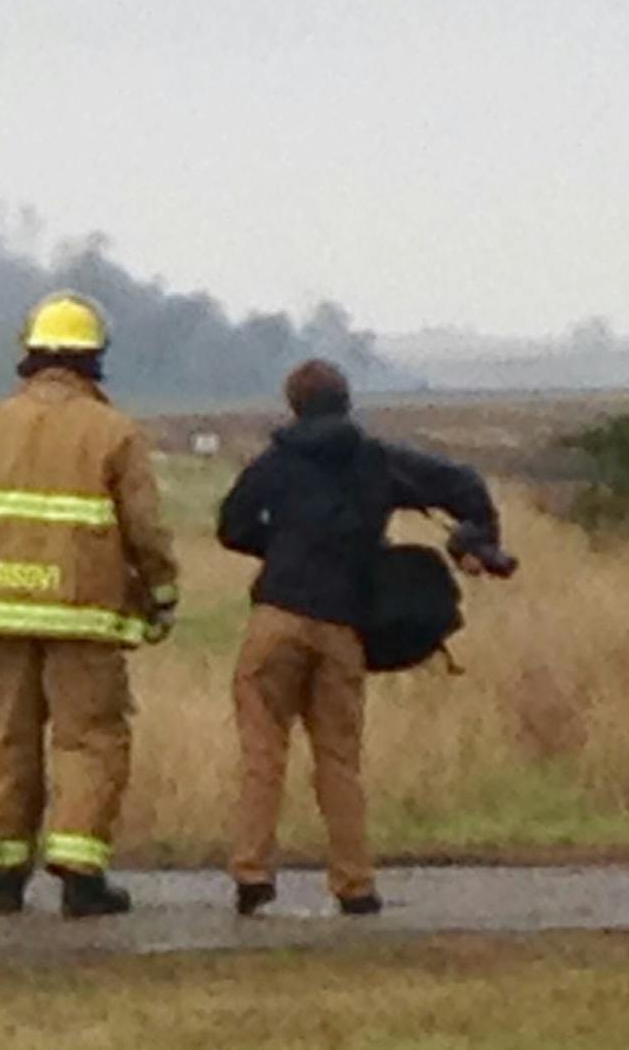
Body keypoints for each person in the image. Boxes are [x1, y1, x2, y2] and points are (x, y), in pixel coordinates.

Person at [217, 359, 507, 918]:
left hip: (276, 617)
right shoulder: (377, 461)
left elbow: (231, 526)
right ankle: (354, 884)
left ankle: (252, 874)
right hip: (344, 625)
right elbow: (462, 483)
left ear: (293, 404)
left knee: (262, 754)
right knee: (339, 760)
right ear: (346, 403)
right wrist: (479, 538)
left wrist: (280, 548)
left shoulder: (274, 463)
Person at [0, 292, 179, 918]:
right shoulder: (115, 433)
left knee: (3, 739)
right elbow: (144, 529)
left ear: (29, 356)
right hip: (83, 617)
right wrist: (161, 595)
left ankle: (1, 873)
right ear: (94, 361)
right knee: (89, 740)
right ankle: (79, 869)